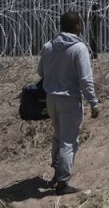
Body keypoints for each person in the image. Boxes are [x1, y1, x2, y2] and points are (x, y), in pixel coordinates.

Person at [38, 11, 100, 195]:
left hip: (51, 100)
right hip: (69, 100)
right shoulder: (79, 48)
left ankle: (57, 175)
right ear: (76, 26)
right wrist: (93, 103)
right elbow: (86, 79)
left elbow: (41, 72)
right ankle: (62, 183)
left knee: (58, 136)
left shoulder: (48, 46)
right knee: (68, 141)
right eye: (80, 24)